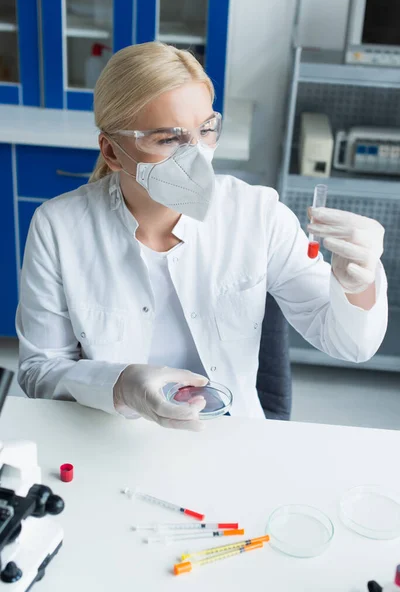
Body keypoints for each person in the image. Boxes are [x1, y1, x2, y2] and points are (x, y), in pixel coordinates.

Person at [17, 43, 387, 431]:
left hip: (232, 435)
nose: (196, 155)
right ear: (112, 151)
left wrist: (357, 282)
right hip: (111, 430)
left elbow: (352, 345)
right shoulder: (58, 228)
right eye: (167, 139)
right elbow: (40, 370)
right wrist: (120, 384)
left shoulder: (257, 214)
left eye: (206, 130)